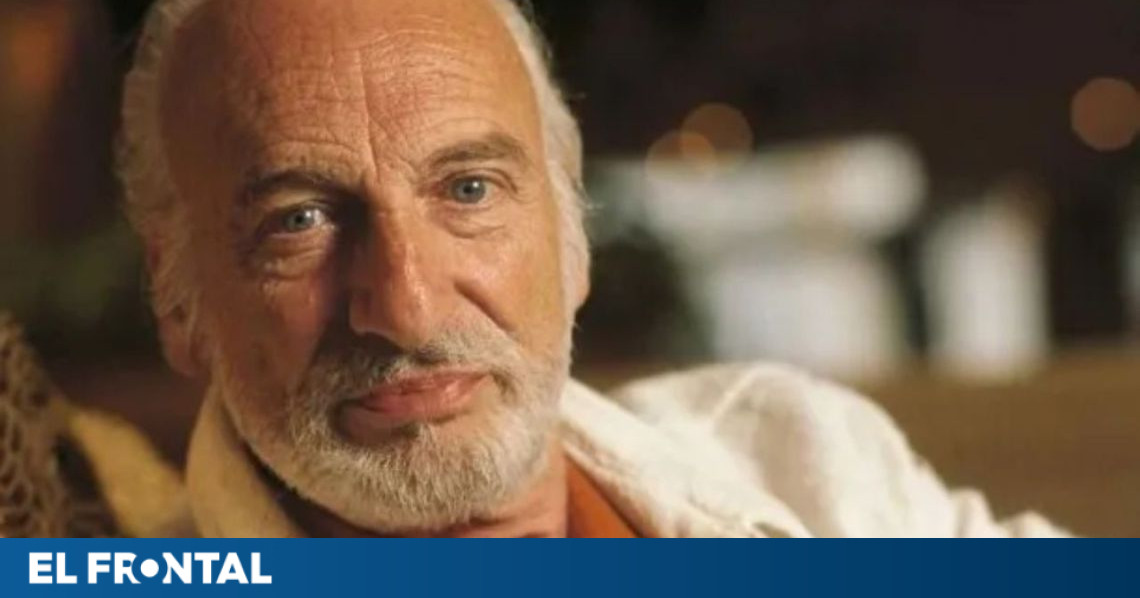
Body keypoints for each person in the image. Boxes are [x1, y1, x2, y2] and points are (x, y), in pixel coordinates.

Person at [116, 0, 1065, 537]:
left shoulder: (798, 453)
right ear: (178, 299)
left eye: (470, 190)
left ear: (570, 234)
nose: (406, 307)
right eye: (300, 221)